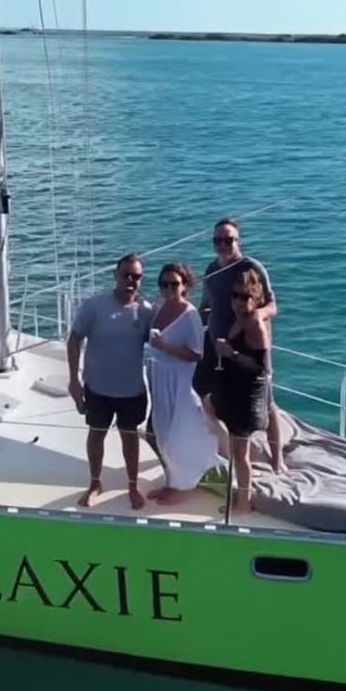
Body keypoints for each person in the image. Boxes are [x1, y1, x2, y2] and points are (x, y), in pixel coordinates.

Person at [193, 217, 285, 472]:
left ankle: (277, 459)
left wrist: (255, 317)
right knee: (207, 395)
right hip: (216, 346)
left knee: (268, 402)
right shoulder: (212, 269)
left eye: (228, 239)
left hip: (247, 346)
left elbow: (273, 306)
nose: (222, 244)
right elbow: (205, 306)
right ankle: (230, 450)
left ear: (238, 240)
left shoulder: (252, 268)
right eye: (217, 240)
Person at [67, 253, 154, 510]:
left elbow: (166, 340)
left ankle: (132, 485)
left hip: (132, 390)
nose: (130, 280)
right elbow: (74, 341)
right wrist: (74, 382)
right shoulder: (94, 306)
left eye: (136, 276)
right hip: (97, 388)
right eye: (126, 274)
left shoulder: (148, 310)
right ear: (115, 275)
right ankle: (95, 483)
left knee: (130, 438)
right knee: (96, 435)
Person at [145, 263, 220, 505]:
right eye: (164, 284)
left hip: (180, 379)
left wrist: (167, 347)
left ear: (185, 286)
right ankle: (172, 481)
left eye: (174, 284)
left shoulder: (190, 315)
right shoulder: (157, 308)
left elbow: (197, 353)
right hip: (159, 376)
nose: (169, 288)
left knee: (179, 434)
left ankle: (185, 485)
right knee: (162, 431)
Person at [212, 268, 272, 513]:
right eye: (235, 296)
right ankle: (241, 480)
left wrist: (232, 353)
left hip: (247, 397)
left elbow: (262, 367)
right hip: (233, 391)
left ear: (256, 298)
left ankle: (244, 503)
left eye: (246, 296)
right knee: (207, 405)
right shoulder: (240, 318)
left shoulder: (255, 323)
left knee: (240, 454)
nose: (239, 301)